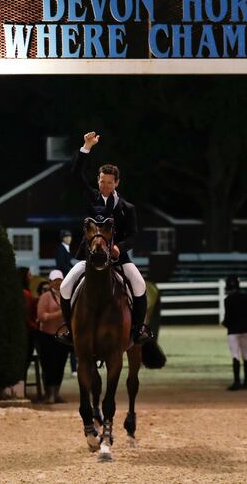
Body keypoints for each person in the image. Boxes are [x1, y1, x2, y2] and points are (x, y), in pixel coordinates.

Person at [57, 131, 152, 346]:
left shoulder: (127, 208)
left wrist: (120, 246)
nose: (105, 186)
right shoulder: (91, 198)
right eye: (102, 182)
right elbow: (75, 175)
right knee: (64, 287)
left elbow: (134, 235)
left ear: (117, 183)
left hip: (118, 258)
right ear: (97, 181)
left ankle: (137, 330)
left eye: (109, 182)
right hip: (90, 256)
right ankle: (69, 330)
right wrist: (86, 147)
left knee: (139, 285)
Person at [36, 270, 70, 404]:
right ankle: (48, 393)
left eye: (60, 280)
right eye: (55, 280)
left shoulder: (66, 296)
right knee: (48, 365)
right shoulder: (45, 297)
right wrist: (59, 313)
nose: (58, 283)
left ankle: (56, 393)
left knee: (60, 365)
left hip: (62, 336)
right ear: (50, 282)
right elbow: (41, 317)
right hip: (46, 336)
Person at [222, 275, 247, 390]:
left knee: (235, 355)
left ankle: (237, 381)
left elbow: (228, 317)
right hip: (246, 329)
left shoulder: (228, 299)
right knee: (246, 354)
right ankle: (246, 381)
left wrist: (225, 323)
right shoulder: (246, 297)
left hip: (233, 330)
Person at [19, 267, 38, 382]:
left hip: (26, 330)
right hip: (27, 332)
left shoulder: (25, 293)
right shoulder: (25, 293)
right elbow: (26, 315)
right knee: (25, 361)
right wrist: (34, 326)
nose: (31, 277)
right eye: (29, 275)